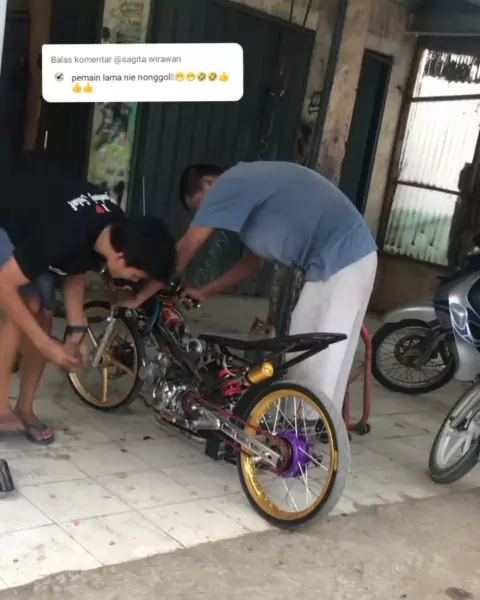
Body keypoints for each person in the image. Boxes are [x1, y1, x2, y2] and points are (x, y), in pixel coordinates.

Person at [131, 161, 377, 415]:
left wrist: (140, 294)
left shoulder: (228, 183)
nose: (207, 217)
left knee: (308, 354)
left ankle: (301, 430)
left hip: (337, 258)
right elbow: (251, 264)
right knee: (332, 355)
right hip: (359, 255)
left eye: (201, 208)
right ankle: (323, 424)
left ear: (208, 183)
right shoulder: (251, 192)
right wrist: (205, 290)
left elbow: (186, 249)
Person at [0, 151, 176, 444]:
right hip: (6, 213)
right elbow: (4, 283)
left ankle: (25, 409)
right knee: (26, 306)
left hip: (37, 217)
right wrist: (46, 345)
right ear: (120, 257)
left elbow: (76, 268)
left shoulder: (115, 227)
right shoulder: (64, 233)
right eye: (134, 276)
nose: (131, 282)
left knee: (45, 314)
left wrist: (75, 332)